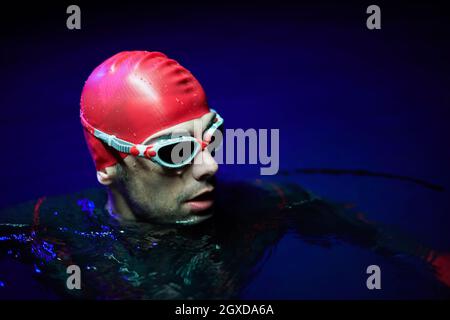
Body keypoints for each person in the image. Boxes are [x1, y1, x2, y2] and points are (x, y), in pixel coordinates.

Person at [0, 51, 449, 299]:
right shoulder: (46, 229)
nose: (210, 166)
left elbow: (364, 231)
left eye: (209, 139)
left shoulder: (261, 206)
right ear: (109, 164)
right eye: (175, 152)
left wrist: (433, 262)